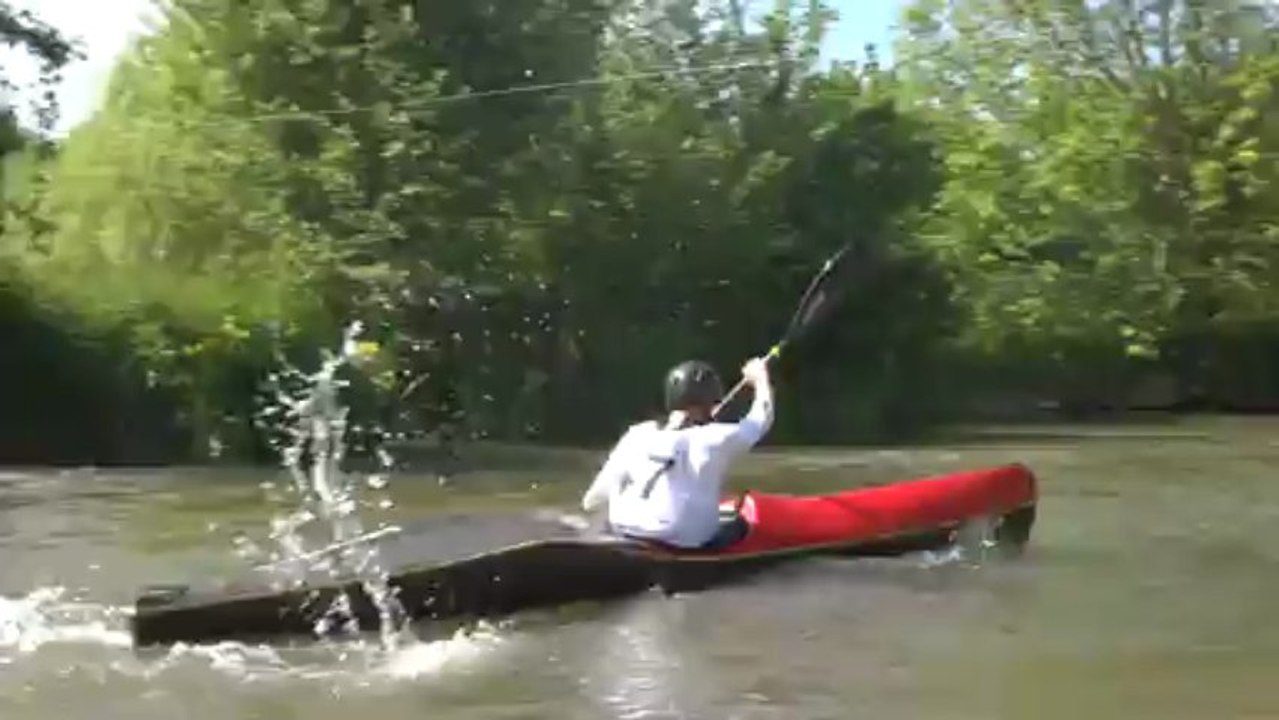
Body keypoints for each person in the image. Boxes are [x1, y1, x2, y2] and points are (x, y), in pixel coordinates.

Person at [580, 356, 774, 549]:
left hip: (623, 528)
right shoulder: (714, 438)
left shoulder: (638, 434)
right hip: (679, 540)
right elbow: (760, 421)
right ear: (707, 402)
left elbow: (592, 499)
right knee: (740, 526)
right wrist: (760, 380)